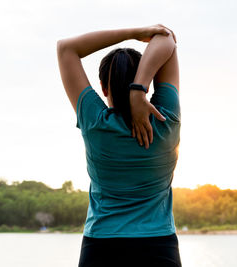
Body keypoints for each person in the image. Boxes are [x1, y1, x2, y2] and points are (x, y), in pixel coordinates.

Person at [57, 24, 181, 266]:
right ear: (152, 82)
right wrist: (139, 90)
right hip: (159, 246)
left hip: (102, 246)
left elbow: (66, 48)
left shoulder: (95, 122)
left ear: (104, 88)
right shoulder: (165, 119)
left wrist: (132, 33)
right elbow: (167, 39)